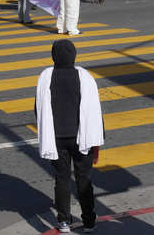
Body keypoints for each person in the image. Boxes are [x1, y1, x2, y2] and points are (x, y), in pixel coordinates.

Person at [35, 39, 104, 233]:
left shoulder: (46, 76)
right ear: (74, 55)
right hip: (82, 137)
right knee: (84, 179)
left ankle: (63, 221)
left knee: (62, 179)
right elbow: (95, 112)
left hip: (56, 138)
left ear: (53, 56)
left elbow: (38, 109)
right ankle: (89, 220)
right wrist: (97, 142)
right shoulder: (85, 77)